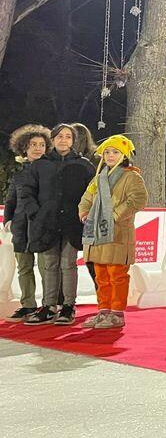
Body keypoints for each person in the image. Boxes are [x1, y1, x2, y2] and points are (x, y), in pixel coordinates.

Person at [21, 124, 95, 326]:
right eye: (60, 136)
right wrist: (35, 214)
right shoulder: (39, 165)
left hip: (72, 224)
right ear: (53, 139)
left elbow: (93, 193)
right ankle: (48, 306)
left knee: (68, 264)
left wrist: (85, 215)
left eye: (68, 137)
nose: (64, 140)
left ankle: (68, 307)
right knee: (50, 265)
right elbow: (26, 192)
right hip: (46, 223)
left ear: (73, 141)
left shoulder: (84, 165)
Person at [78, 135, 148, 329]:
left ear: (124, 155)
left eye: (115, 152)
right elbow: (87, 197)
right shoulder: (99, 176)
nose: (110, 155)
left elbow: (138, 199)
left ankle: (117, 313)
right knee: (100, 275)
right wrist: (84, 212)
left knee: (116, 274)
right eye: (107, 152)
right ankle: (104, 310)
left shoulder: (131, 176)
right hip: (97, 234)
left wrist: (115, 215)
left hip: (118, 233)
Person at [3, 125, 51, 322]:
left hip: (43, 225)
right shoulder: (19, 172)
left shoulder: (51, 170)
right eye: (33, 145)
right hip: (21, 227)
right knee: (24, 267)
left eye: (41, 144)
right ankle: (28, 305)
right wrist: (8, 220)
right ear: (24, 147)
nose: (38, 148)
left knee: (45, 267)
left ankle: (49, 305)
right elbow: (11, 200)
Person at [71, 122, 99, 288]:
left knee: (92, 260)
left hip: (86, 215)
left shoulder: (94, 159)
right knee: (92, 261)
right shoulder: (97, 158)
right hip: (84, 214)